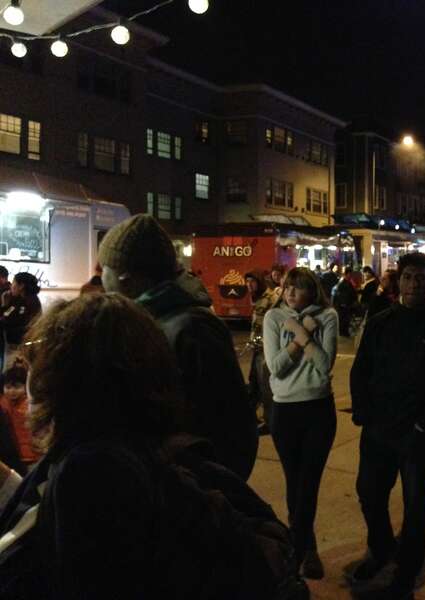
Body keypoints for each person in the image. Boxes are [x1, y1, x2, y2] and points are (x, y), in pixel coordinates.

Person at [0, 293, 305, 599]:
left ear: (65, 377)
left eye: (39, 353)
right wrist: (10, 485)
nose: (29, 370)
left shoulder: (92, 472)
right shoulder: (144, 452)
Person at [98, 214, 257, 480]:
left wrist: (205, 495)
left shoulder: (192, 330)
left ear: (125, 276)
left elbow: (231, 429)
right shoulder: (144, 322)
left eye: (104, 268)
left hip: (185, 497)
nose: (100, 276)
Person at [349, 252, 425, 599]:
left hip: (416, 435)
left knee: (415, 504)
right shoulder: (381, 322)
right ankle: (381, 547)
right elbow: (360, 371)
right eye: (408, 277)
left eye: (421, 278)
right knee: (369, 493)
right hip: (378, 429)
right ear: (398, 282)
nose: (414, 284)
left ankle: (408, 567)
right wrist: (363, 413)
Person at [262, 267, 338, 580]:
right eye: (288, 287)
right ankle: (307, 547)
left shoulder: (328, 316)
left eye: (300, 287)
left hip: (318, 410)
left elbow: (324, 365)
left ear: (313, 291)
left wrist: (304, 333)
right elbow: (275, 368)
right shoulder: (273, 318)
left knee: (308, 484)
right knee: (294, 483)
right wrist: (300, 338)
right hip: (284, 411)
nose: (291, 293)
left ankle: (297, 551)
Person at [245, 270, 274, 435]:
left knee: (265, 387)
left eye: (252, 282)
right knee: (253, 384)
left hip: (266, 349)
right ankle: (250, 417)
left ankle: (269, 421)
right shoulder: (256, 298)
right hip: (257, 348)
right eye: (247, 282)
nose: (249, 285)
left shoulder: (270, 298)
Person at [0, 359, 39, 475]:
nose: (11, 391)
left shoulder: (29, 405)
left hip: (32, 455)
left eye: (16, 387)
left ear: (25, 386)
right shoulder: (3, 402)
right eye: (8, 387)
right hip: (13, 455)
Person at [0, 273, 42, 369]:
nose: (11, 286)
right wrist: (4, 304)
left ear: (21, 286)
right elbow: (7, 314)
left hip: (21, 348)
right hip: (12, 345)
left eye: (14, 282)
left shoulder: (31, 302)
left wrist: (4, 323)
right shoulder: (17, 300)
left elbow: (19, 323)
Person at [332, 266, 358, 337]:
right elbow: (343, 295)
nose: (351, 276)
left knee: (344, 319)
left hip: (344, 304)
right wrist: (344, 303)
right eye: (350, 274)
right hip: (343, 305)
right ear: (348, 274)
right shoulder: (343, 283)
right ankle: (344, 332)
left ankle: (344, 332)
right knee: (344, 319)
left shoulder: (345, 282)